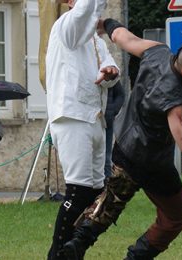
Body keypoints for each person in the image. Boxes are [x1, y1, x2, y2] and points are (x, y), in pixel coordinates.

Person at [59, 18, 182, 260]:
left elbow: (124, 37)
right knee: (176, 216)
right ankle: (136, 258)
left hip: (123, 148)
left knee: (112, 201)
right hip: (152, 163)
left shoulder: (157, 52)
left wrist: (106, 23)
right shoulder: (176, 101)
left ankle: (76, 245)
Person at [44, 0, 120, 258]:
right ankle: (57, 254)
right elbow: (84, 12)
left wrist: (111, 72)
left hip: (95, 118)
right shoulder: (65, 26)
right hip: (72, 115)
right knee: (78, 190)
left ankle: (75, 252)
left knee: (96, 193)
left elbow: (110, 69)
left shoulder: (97, 41)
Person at [104, 81, 125, 178]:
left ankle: (107, 185)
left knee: (106, 157)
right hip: (91, 123)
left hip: (107, 123)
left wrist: (112, 111)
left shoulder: (109, 74)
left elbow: (120, 95)